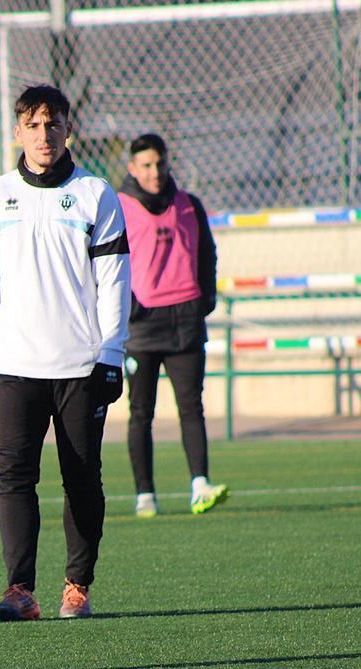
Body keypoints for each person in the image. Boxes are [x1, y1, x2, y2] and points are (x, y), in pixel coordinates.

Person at [0, 85, 131, 622]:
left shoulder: (96, 194)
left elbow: (115, 281)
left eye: (52, 124)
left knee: (82, 477)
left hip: (80, 365)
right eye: (32, 125)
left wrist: (111, 353)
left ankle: (77, 585)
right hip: (12, 366)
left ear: (67, 130)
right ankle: (20, 589)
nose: (43, 135)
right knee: (14, 479)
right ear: (17, 131)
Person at [118, 133, 228, 518]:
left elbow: (207, 254)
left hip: (185, 321)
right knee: (141, 412)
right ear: (132, 168)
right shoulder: (119, 207)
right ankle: (144, 494)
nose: (155, 172)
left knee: (191, 407)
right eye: (146, 165)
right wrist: (126, 309)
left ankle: (200, 484)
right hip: (142, 326)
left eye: (160, 163)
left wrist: (205, 299)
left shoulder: (189, 205)